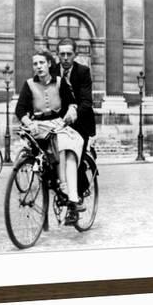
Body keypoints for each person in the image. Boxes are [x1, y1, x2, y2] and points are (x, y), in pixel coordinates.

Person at [15, 49, 85, 225]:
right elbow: (20, 109)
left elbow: (71, 103)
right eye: (35, 64)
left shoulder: (60, 82)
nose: (38, 67)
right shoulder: (29, 84)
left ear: (49, 64)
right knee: (53, 145)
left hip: (58, 124)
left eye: (41, 63)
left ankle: (72, 196)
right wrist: (28, 122)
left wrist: (71, 112)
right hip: (38, 126)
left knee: (69, 148)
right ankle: (63, 189)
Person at [52, 38, 96, 195]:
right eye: (62, 54)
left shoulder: (83, 72)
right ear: (57, 54)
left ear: (75, 55)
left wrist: (74, 111)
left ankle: (76, 199)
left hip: (81, 121)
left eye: (68, 54)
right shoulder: (52, 71)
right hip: (60, 121)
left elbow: (86, 101)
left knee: (74, 159)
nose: (65, 57)